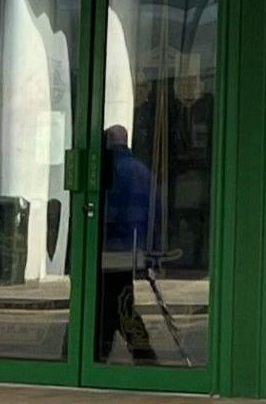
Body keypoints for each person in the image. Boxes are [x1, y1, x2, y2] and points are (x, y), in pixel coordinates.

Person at [93, 126, 158, 362]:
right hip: (133, 248)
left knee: (109, 302)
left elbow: (107, 211)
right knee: (119, 302)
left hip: (110, 249)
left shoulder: (109, 170)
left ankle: (101, 351)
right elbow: (155, 212)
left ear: (108, 142)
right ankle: (136, 350)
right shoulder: (143, 170)